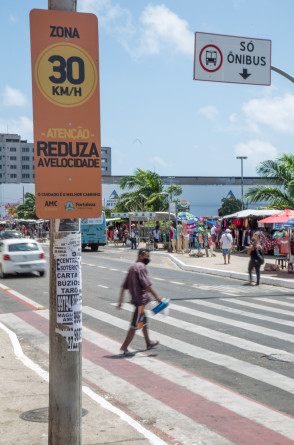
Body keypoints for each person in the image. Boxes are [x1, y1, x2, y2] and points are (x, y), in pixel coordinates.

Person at [117, 248, 162, 356]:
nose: (148, 259)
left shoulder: (132, 267)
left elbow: (124, 286)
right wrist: (157, 297)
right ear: (141, 256)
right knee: (134, 325)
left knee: (144, 322)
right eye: (147, 256)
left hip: (137, 300)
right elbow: (146, 285)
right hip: (140, 302)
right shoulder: (141, 267)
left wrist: (120, 300)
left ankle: (148, 343)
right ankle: (124, 347)